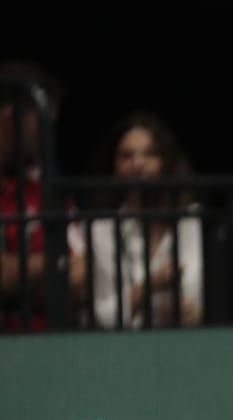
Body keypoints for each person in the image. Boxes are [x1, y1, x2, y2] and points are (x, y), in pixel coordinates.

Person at [79, 112, 203, 329]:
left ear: (167, 162)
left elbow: (224, 302)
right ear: (114, 168)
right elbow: (102, 317)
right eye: (127, 156)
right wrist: (149, 286)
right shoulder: (101, 230)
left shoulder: (195, 222)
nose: (138, 164)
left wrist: (202, 314)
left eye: (150, 154)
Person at [1, 62, 81, 332]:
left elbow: (80, 278)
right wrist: (52, 264)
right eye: (33, 112)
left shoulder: (49, 189)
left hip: (49, 342)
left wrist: (23, 274)